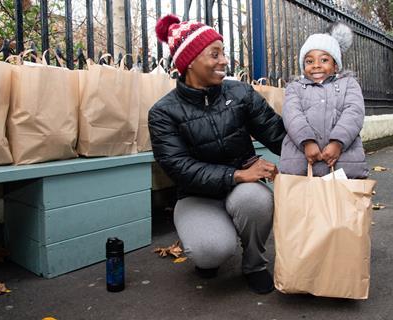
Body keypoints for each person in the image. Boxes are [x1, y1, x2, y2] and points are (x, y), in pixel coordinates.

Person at [148, 15, 286, 294]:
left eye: (223, 52)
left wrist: (317, 152)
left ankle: (254, 265)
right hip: (196, 196)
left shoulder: (241, 93)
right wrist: (237, 174)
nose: (224, 60)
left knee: (257, 201)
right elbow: (180, 168)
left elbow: (277, 134)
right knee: (210, 251)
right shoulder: (163, 113)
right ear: (188, 62)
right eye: (215, 54)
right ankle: (209, 245)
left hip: (243, 191)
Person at [279, 22, 368, 179]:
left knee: (342, 202)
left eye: (324, 60)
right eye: (309, 61)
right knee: (302, 202)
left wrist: (337, 143)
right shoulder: (295, 88)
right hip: (300, 163)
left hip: (343, 163)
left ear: (336, 65)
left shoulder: (349, 84)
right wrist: (307, 141)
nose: (316, 66)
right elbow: (292, 115)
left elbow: (354, 113)